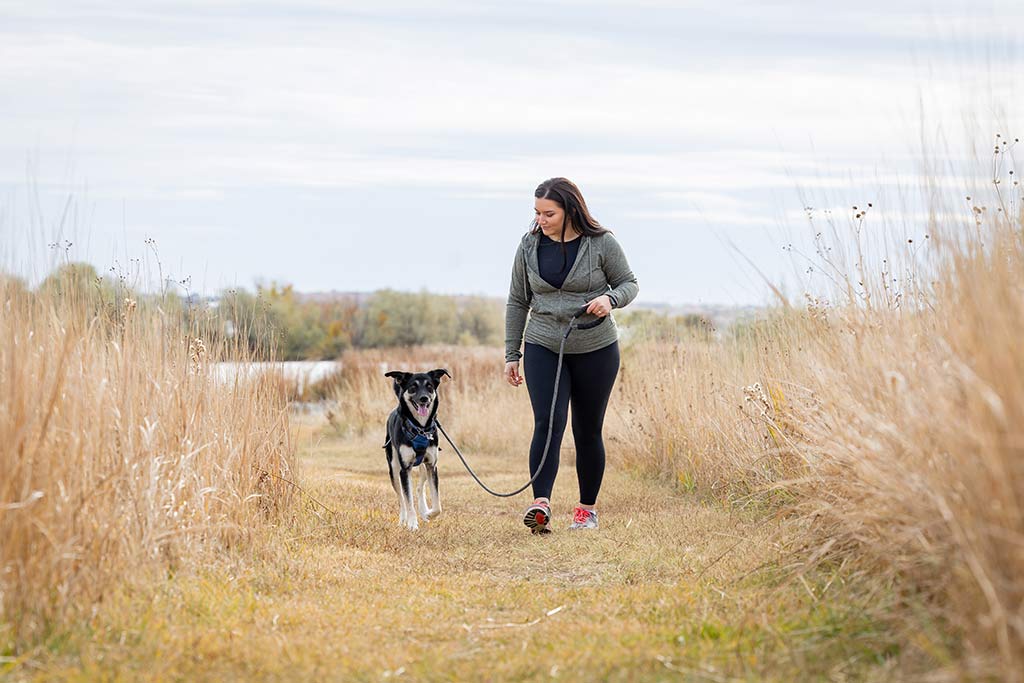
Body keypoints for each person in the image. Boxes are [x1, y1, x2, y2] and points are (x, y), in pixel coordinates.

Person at [504, 177, 639, 533]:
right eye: (537, 212)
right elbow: (518, 300)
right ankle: (541, 505)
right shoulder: (529, 246)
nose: (541, 219)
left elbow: (629, 283)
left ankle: (585, 511)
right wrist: (511, 353)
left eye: (549, 213)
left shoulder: (601, 244)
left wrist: (610, 300)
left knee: (587, 429)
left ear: (570, 210)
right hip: (543, 344)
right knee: (548, 423)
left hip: (595, 348)